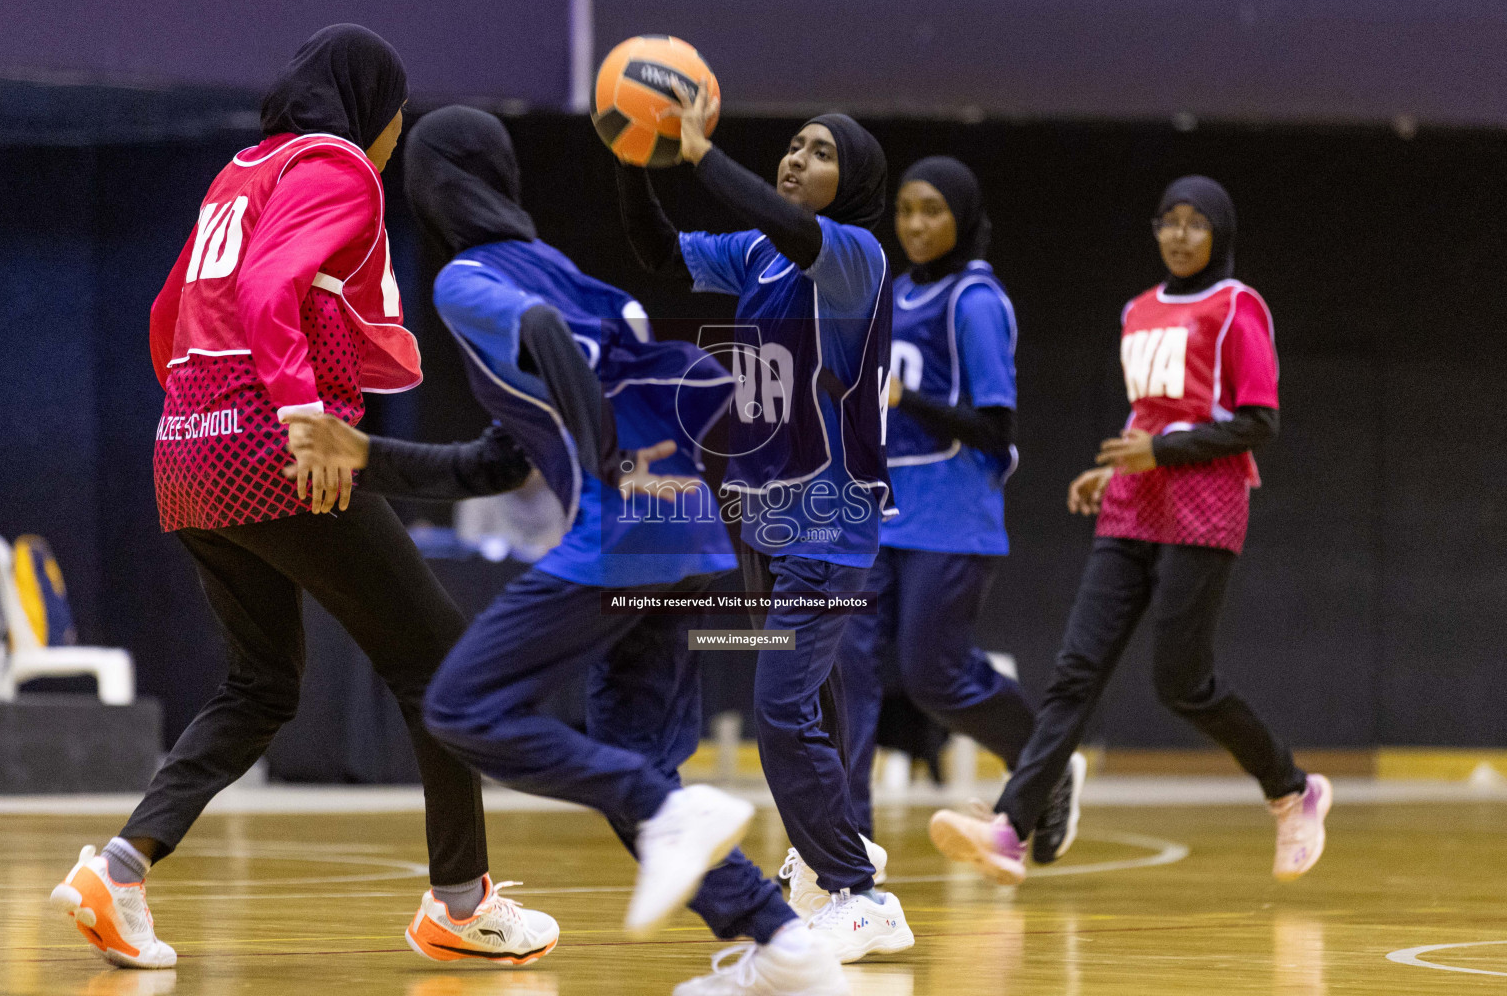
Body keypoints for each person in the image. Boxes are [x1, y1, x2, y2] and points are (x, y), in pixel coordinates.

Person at [284, 105, 847, 996]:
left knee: (464, 710)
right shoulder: (570, 272)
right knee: (638, 768)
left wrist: (606, 468)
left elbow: (545, 336)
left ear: (433, 189)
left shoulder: (466, 280)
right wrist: (367, 457)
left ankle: (677, 814)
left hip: (623, 536)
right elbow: (498, 461)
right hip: (686, 531)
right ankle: (783, 946)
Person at [48, 27, 557, 970]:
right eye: (397, 110)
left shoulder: (241, 170)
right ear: (369, 103)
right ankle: (461, 902)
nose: (399, 131)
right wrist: (293, 412)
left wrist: (204, 414)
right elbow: (272, 285)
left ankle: (118, 870)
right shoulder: (338, 168)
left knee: (262, 683)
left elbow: (170, 316)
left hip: (185, 452)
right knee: (440, 661)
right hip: (272, 446)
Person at [928, 175, 1332, 885]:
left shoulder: (1238, 305)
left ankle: (1294, 791)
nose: (1179, 235)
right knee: (1073, 675)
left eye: (1194, 223)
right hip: (1132, 507)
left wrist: (1161, 451)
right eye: (1167, 221)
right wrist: (1114, 468)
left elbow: (1258, 420)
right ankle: (1009, 831)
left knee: (1182, 683)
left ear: (1220, 234)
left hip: (1204, 507)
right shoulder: (1138, 310)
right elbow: (1148, 414)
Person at [617, 84, 913, 964]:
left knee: (779, 709)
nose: (795, 159)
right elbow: (662, 253)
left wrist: (702, 153)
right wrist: (638, 159)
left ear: (853, 178)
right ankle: (834, 862)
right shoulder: (760, 255)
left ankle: (861, 892)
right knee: (808, 702)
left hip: (829, 520)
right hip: (765, 512)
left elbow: (785, 224)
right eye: (792, 144)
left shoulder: (855, 255)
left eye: (820, 151)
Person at [832, 157, 1084, 883]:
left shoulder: (976, 300)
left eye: (932, 210)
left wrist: (906, 401)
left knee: (930, 674)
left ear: (962, 217)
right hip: (879, 510)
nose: (915, 224)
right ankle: (847, 856)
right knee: (845, 666)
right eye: (906, 209)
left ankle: (1044, 761)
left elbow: (995, 427)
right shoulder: (895, 293)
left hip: (951, 514)